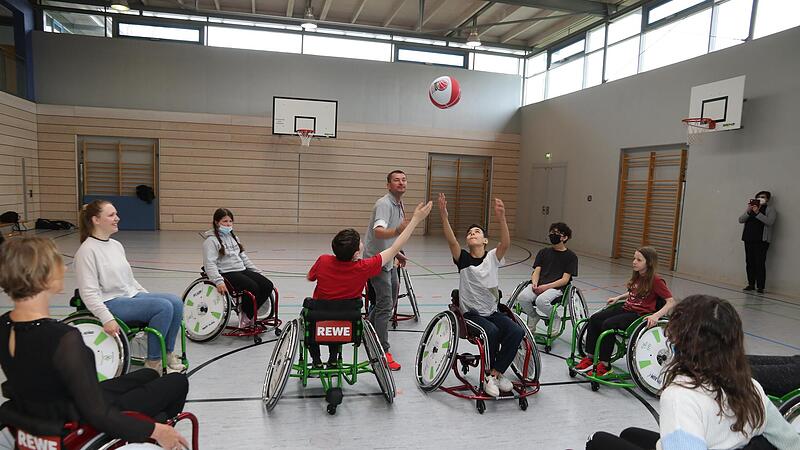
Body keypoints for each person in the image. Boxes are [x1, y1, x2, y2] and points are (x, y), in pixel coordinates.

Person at [0, 236, 189, 449]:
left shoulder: (4, 324)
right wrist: (154, 430)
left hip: (47, 407)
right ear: (44, 278)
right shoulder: (62, 338)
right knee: (177, 382)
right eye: (58, 263)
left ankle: (155, 416)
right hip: (74, 420)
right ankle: (158, 431)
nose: (64, 268)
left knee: (149, 374)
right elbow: (98, 414)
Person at [585, 295, 800, 450]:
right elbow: (791, 442)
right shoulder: (752, 387)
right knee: (629, 434)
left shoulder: (681, 397)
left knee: (597, 440)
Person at [306, 201, 432, 369]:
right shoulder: (363, 267)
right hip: (348, 320)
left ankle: (316, 360)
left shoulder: (323, 260)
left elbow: (310, 277)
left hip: (319, 317)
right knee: (338, 318)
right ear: (356, 253)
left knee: (311, 318)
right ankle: (333, 359)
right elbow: (395, 247)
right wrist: (416, 219)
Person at [74, 200, 184, 374]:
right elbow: (88, 292)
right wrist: (106, 318)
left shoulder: (116, 245)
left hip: (129, 296)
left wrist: (148, 298)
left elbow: (129, 280)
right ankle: (153, 363)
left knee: (175, 302)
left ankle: (167, 353)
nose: (117, 218)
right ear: (96, 220)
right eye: (111, 215)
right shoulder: (87, 251)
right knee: (163, 307)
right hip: (109, 302)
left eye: (116, 214)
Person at [438, 192, 523, 397]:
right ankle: (489, 376)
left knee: (516, 331)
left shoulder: (493, 257)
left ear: (485, 240)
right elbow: (451, 241)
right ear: (467, 241)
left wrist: (502, 218)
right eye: (469, 233)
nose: (472, 234)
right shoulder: (463, 258)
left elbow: (505, 243)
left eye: (477, 232)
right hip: (472, 315)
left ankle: (495, 373)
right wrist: (444, 216)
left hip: (492, 312)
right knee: (491, 332)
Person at [574, 247, 674, 377]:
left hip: (638, 315)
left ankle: (605, 365)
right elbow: (634, 292)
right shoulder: (638, 276)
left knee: (608, 324)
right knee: (594, 318)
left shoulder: (656, 281)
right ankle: (590, 357)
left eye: (639, 260)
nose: (634, 262)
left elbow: (670, 301)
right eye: (634, 258)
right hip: (627, 308)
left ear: (649, 263)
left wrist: (656, 316)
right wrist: (618, 298)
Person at [363, 170, 410, 371]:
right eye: (396, 180)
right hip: (376, 261)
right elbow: (379, 231)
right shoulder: (384, 204)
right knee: (384, 304)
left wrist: (397, 253)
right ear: (388, 185)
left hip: (389, 259)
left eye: (403, 180)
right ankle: (383, 351)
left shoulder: (399, 204)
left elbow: (390, 239)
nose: (401, 183)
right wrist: (398, 231)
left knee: (389, 300)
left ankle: (367, 329)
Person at [203, 207, 274, 328]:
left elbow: (244, 258)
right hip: (226, 272)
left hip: (241, 269)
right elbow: (209, 263)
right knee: (253, 287)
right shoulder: (211, 241)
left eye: (230, 221)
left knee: (267, 285)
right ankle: (246, 314)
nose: (228, 224)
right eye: (225, 221)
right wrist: (218, 281)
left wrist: (257, 272)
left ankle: (249, 312)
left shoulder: (234, 238)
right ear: (216, 222)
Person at [514, 222, 578, 333]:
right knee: (523, 297)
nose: (553, 235)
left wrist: (546, 287)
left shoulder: (571, 257)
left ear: (565, 237)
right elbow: (536, 271)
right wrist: (535, 283)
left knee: (541, 301)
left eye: (557, 233)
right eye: (552, 232)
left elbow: (565, 280)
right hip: (539, 284)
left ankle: (555, 318)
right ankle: (533, 316)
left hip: (556, 288)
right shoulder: (543, 252)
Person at [739, 191, 776, 294]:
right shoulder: (751, 208)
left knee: (759, 263)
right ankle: (751, 284)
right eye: (758, 197)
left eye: (763, 197)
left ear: (767, 199)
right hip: (748, 239)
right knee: (749, 262)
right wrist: (748, 211)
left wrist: (757, 213)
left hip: (761, 241)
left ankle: (760, 286)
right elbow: (741, 220)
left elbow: (770, 222)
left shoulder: (770, 209)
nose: (760, 198)